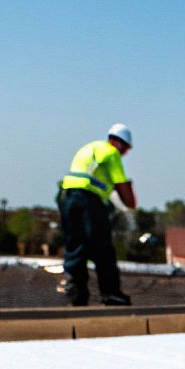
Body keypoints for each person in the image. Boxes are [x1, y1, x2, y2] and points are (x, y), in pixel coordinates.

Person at [57, 123, 139, 306]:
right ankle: (111, 293)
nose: (125, 153)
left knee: (76, 245)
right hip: (89, 202)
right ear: (120, 144)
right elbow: (124, 192)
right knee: (102, 248)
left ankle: (76, 291)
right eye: (126, 149)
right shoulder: (111, 153)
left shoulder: (89, 148)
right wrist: (131, 199)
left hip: (67, 199)